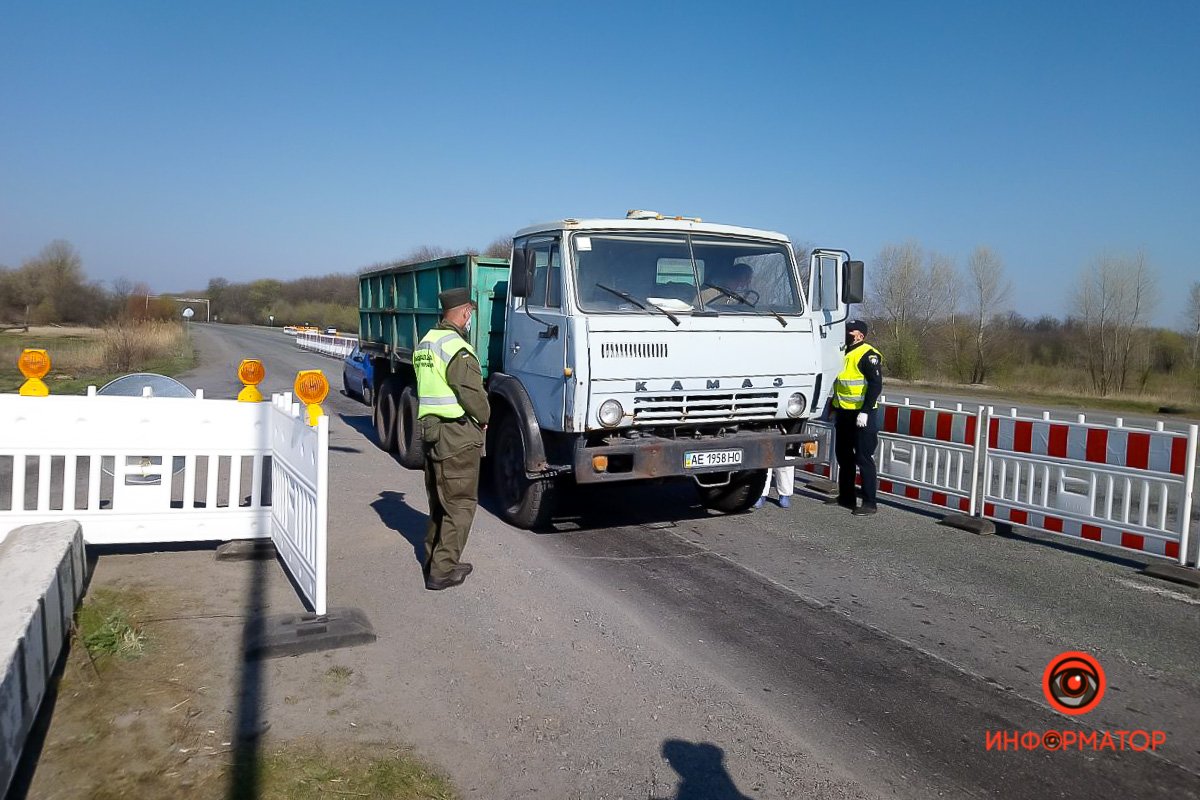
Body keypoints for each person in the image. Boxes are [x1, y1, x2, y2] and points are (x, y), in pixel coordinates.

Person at [414, 287, 491, 590]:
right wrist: (484, 418)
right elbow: (471, 392)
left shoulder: (426, 342)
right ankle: (442, 571)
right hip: (456, 433)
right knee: (459, 504)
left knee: (440, 501)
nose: (470, 317)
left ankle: (435, 559)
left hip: (432, 430)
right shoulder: (456, 347)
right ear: (463, 313)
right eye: (470, 312)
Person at [829, 319, 883, 516]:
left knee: (863, 457)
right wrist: (832, 407)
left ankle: (869, 503)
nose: (847, 333)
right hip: (844, 412)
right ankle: (846, 497)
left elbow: (875, 385)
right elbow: (839, 383)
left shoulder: (868, 354)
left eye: (850, 331)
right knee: (844, 456)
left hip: (862, 414)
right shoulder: (843, 352)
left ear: (860, 334)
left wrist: (866, 411)